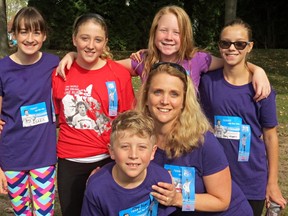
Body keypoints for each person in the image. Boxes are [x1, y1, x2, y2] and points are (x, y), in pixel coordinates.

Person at [57, 5, 270, 101]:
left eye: (176, 32)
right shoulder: (143, 61)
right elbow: (104, 63)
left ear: (185, 35)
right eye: (164, 30)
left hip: (186, 135)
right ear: (154, 32)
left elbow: (231, 61)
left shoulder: (197, 59)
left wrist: (257, 70)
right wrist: (74, 55)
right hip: (153, 138)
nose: (169, 37)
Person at [135, 62, 253, 215]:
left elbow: (222, 201)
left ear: (184, 101)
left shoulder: (203, 142)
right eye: (157, 92)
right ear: (145, 97)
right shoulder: (139, 138)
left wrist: (177, 199)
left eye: (174, 94)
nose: (165, 101)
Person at [199, 18, 287, 216]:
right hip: (213, 178)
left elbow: (271, 136)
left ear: (250, 47)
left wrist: (272, 183)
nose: (232, 48)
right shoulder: (207, 83)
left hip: (250, 181)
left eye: (239, 44)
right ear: (219, 46)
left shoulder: (261, 88)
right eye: (225, 43)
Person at [52, 13, 135, 216]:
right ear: (74, 39)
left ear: (105, 42)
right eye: (84, 38)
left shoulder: (119, 74)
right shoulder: (61, 74)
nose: (90, 45)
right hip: (71, 162)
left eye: (98, 40)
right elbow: (52, 119)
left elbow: (127, 121)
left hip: (109, 159)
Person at [0, 7, 59, 215]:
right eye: (24, 32)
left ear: (43, 35)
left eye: (36, 32)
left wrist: (70, 55)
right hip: (12, 158)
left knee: (44, 213)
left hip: (43, 156)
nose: (30, 38)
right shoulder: (2, 69)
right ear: (14, 34)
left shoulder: (54, 64)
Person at [81, 110, 176, 216]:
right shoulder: (97, 188)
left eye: (142, 147)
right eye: (125, 147)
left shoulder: (162, 181)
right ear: (111, 151)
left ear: (153, 152)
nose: (133, 155)